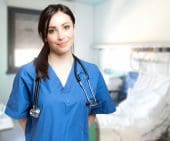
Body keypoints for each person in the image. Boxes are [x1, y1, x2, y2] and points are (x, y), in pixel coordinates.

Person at [5, 4, 116, 141]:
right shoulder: (27, 73)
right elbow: (20, 117)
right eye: (52, 30)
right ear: (44, 36)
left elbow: (93, 112)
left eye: (66, 27)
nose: (61, 36)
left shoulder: (91, 72)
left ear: (74, 29)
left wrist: (73, 134)